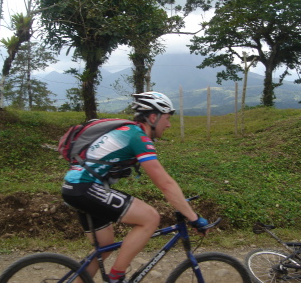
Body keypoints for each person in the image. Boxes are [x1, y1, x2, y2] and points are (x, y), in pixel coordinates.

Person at [61, 91, 209, 283]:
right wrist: (193, 217)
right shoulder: (137, 137)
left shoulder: (129, 132)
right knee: (150, 217)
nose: (169, 124)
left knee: (104, 246)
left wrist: (183, 205)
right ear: (153, 117)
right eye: (167, 118)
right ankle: (116, 277)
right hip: (85, 187)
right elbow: (165, 184)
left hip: (75, 187)